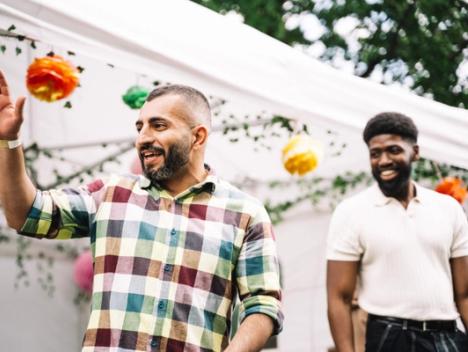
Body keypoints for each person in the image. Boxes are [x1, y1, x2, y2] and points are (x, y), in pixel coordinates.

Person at [0, 70, 283, 352]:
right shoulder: (110, 193)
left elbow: (263, 306)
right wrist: (8, 141)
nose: (142, 138)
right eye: (140, 127)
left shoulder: (246, 214)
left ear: (198, 137)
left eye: (158, 126)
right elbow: (25, 214)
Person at [326, 112, 468, 352]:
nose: (383, 161)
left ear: (415, 152)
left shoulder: (448, 208)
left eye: (393, 150)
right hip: (389, 337)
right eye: (375, 154)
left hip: (447, 336)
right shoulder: (350, 212)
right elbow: (338, 298)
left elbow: (464, 294)